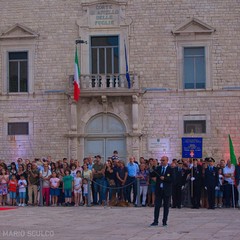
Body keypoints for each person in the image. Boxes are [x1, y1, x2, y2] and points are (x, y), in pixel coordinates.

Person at [150, 156, 173, 227]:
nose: (162, 162)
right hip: (159, 190)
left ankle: (164, 221)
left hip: (166, 191)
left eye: (163, 160)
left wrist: (165, 178)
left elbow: (172, 179)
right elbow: (152, 174)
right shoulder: (158, 168)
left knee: (166, 206)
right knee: (157, 206)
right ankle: (155, 221)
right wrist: (152, 167)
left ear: (167, 161)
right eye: (161, 160)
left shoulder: (170, 169)